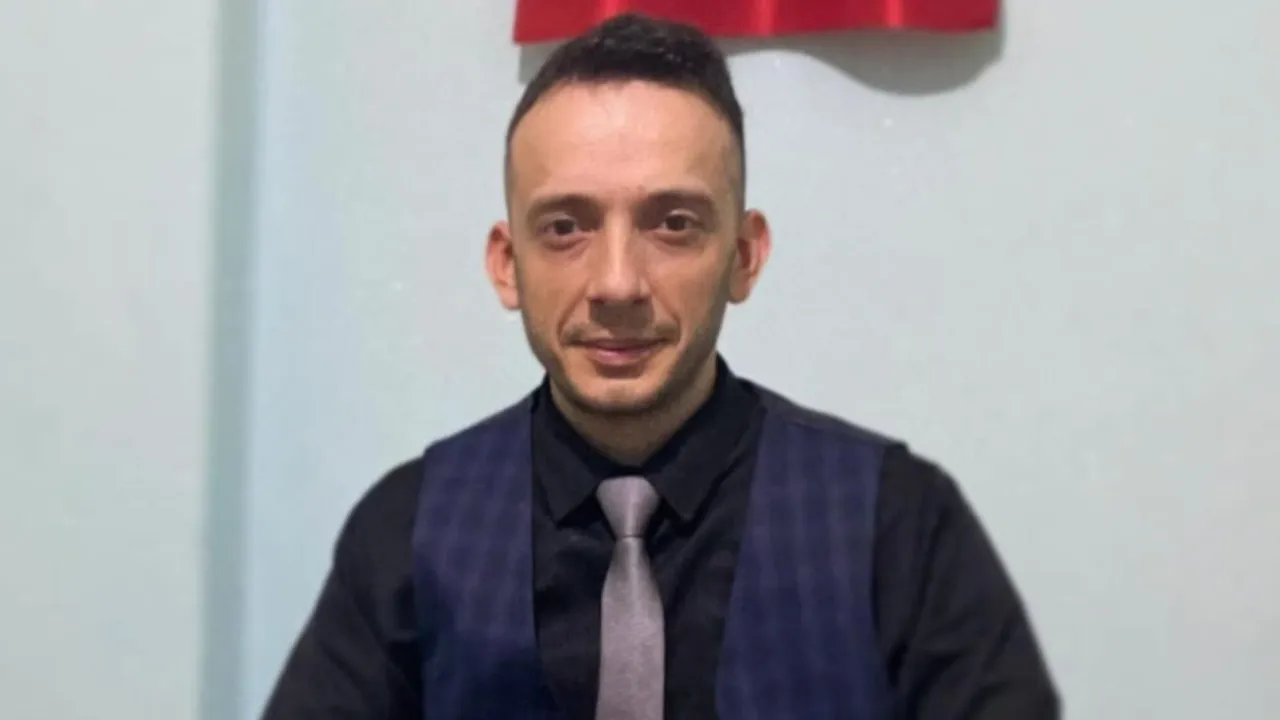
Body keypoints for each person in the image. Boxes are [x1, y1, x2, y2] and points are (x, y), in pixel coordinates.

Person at [263, 12, 1059, 720]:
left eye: (673, 224)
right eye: (566, 227)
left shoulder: (901, 525)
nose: (617, 284)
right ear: (507, 265)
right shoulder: (406, 533)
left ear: (743, 256)